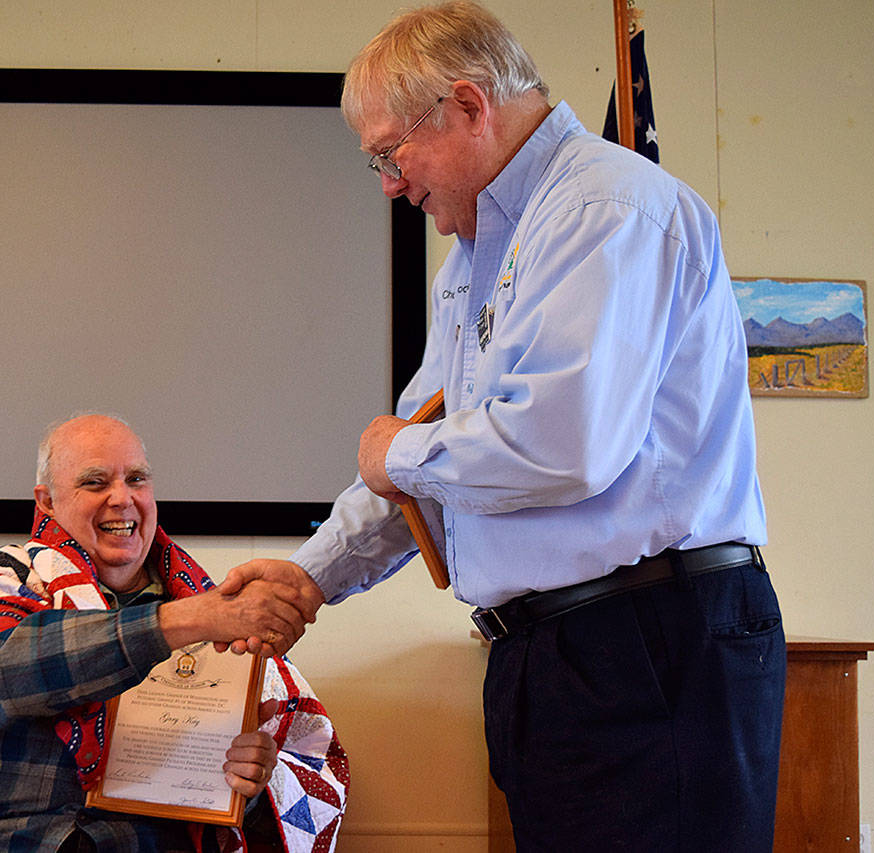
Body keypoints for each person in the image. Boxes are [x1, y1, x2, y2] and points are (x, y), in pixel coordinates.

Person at [219, 3, 785, 850]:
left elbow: (562, 446)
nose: (388, 183)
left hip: (651, 642)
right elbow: (433, 454)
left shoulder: (606, 209)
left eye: (389, 151)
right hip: (555, 656)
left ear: (469, 105)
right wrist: (310, 578)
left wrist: (392, 451)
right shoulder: (476, 256)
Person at [0, 414, 347, 852]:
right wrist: (185, 620)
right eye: (95, 482)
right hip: (9, 841)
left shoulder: (212, 610)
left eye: (136, 480)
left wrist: (245, 787)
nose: (122, 498)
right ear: (47, 502)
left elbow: (278, 795)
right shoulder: (13, 574)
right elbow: (4, 679)